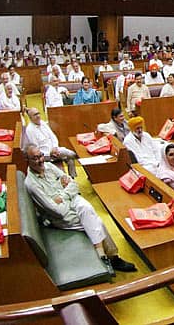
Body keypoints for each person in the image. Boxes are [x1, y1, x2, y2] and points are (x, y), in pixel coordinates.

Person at [23, 144, 136, 273]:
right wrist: (67, 190)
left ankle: (104, 256)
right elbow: (57, 212)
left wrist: (62, 196)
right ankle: (111, 258)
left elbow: (73, 184)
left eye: (41, 156)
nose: (40, 160)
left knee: (86, 207)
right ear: (27, 160)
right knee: (96, 221)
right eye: (35, 158)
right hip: (63, 217)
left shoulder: (48, 166)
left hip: (70, 202)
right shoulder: (31, 184)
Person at [25, 107, 79, 178]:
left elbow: (53, 137)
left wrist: (55, 148)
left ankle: (72, 178)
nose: (38, 116)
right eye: (35, 115)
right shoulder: (30, 130)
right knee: (70, 154)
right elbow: (36, 150)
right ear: (30, 118)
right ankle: (78, 157)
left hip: (55, 150)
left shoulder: (43, 123)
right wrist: (49, 153)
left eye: (38, 113)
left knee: (70, 159)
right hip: (45, 156)